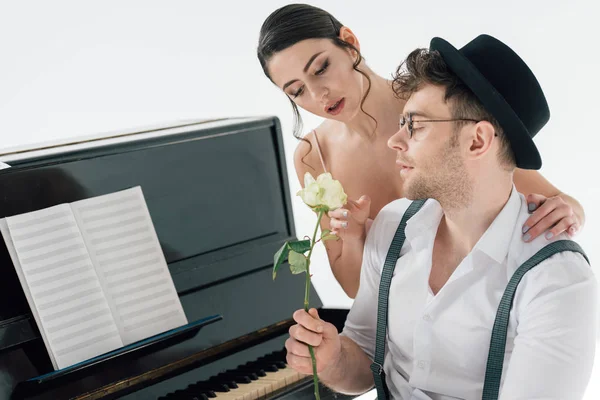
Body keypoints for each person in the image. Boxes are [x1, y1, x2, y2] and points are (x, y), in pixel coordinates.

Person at [283, 34, 598, 399]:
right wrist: (333, 359)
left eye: (414, 125)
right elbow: (364, 361)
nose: (394, 142)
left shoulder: (555, 279)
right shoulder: (390, 226)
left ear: (477, 141)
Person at [257, 4, 586, 298]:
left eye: (321, 68)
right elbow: (356, 290)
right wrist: (355, 236)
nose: (318, 93)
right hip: (393, 330)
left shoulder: (437, 106)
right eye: (297, 91)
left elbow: (560, 202)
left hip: (483, 308)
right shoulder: (313, 157)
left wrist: (565, 212)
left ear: (350, 42)